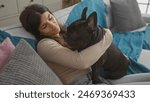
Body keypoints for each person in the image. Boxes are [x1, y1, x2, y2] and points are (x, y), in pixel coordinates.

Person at [19, 4, 150, 85]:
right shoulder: (44, 45)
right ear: (38, 31)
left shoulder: (66, 31)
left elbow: (91, 47)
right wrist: (108, 35)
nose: (52, 25)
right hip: (81, 84)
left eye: (50, 18)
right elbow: (81, 61)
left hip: (96, 76)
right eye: (44, 26)